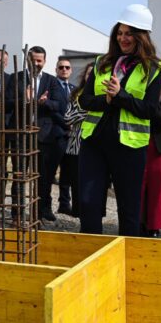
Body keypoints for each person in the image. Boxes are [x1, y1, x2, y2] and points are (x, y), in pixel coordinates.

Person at [78, 4, 161, 236]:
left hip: (129, 146)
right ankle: (91, 256)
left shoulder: (155, 68)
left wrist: (121, 96)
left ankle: (127, 261)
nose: (122, 38)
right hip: (94, 142)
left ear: (141, 36)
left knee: (129, 209)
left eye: (129, 33)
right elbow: (84, 100)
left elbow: (149, 110)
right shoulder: (100, 62)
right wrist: (106, 100)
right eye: (119, 32)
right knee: (88, 202)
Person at [4, 47, 67, 222]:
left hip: (43, 136)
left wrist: (44, 103)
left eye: (39, 60)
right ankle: (17, 216)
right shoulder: (16, 78)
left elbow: (59, 105)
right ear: (27, 60)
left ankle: (37, 215)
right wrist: (24, 99)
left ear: (45, 61)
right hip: (20, 135)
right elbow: (6, 103)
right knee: (19, 176)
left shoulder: (51, 81)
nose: (36, 64)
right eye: (33, 60)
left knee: (42, 178)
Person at [62, 61, 96, 220]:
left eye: (93, 74)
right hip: (76, 146)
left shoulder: (102, 94)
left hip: (96, 145)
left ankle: (92, 214)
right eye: (88, 74)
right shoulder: (77, 94)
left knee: (92, 185)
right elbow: (68, 117)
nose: (90, 77)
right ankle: (77, 213)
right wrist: (86, 112)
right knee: (76, 182)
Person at [140, 84, 161, 237]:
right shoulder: (137, 94)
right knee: (138, 188)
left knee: (157, 189)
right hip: (137, 145)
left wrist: (152, 105)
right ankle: (139, 222)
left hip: (158, 149)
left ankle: (154, 225)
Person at [56, 58, 76, 216]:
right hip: (56, 134)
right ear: (57, 69)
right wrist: (65, 123)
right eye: (61, 67)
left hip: (72, 138)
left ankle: (65, 203)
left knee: (68, 173)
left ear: (71, 70)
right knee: (49, 174)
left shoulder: (74, 89)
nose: (64, 69)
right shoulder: (52, 86)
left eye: (67, 67)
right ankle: (46, 206)